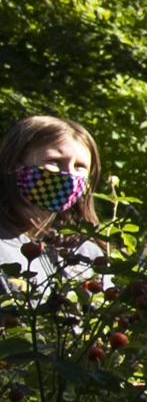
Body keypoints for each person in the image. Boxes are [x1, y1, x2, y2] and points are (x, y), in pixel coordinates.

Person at [0, 115, 103, 291]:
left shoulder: (87, 254)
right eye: (55, 162)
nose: (69, 175)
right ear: (15, 164)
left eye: (80, 167)